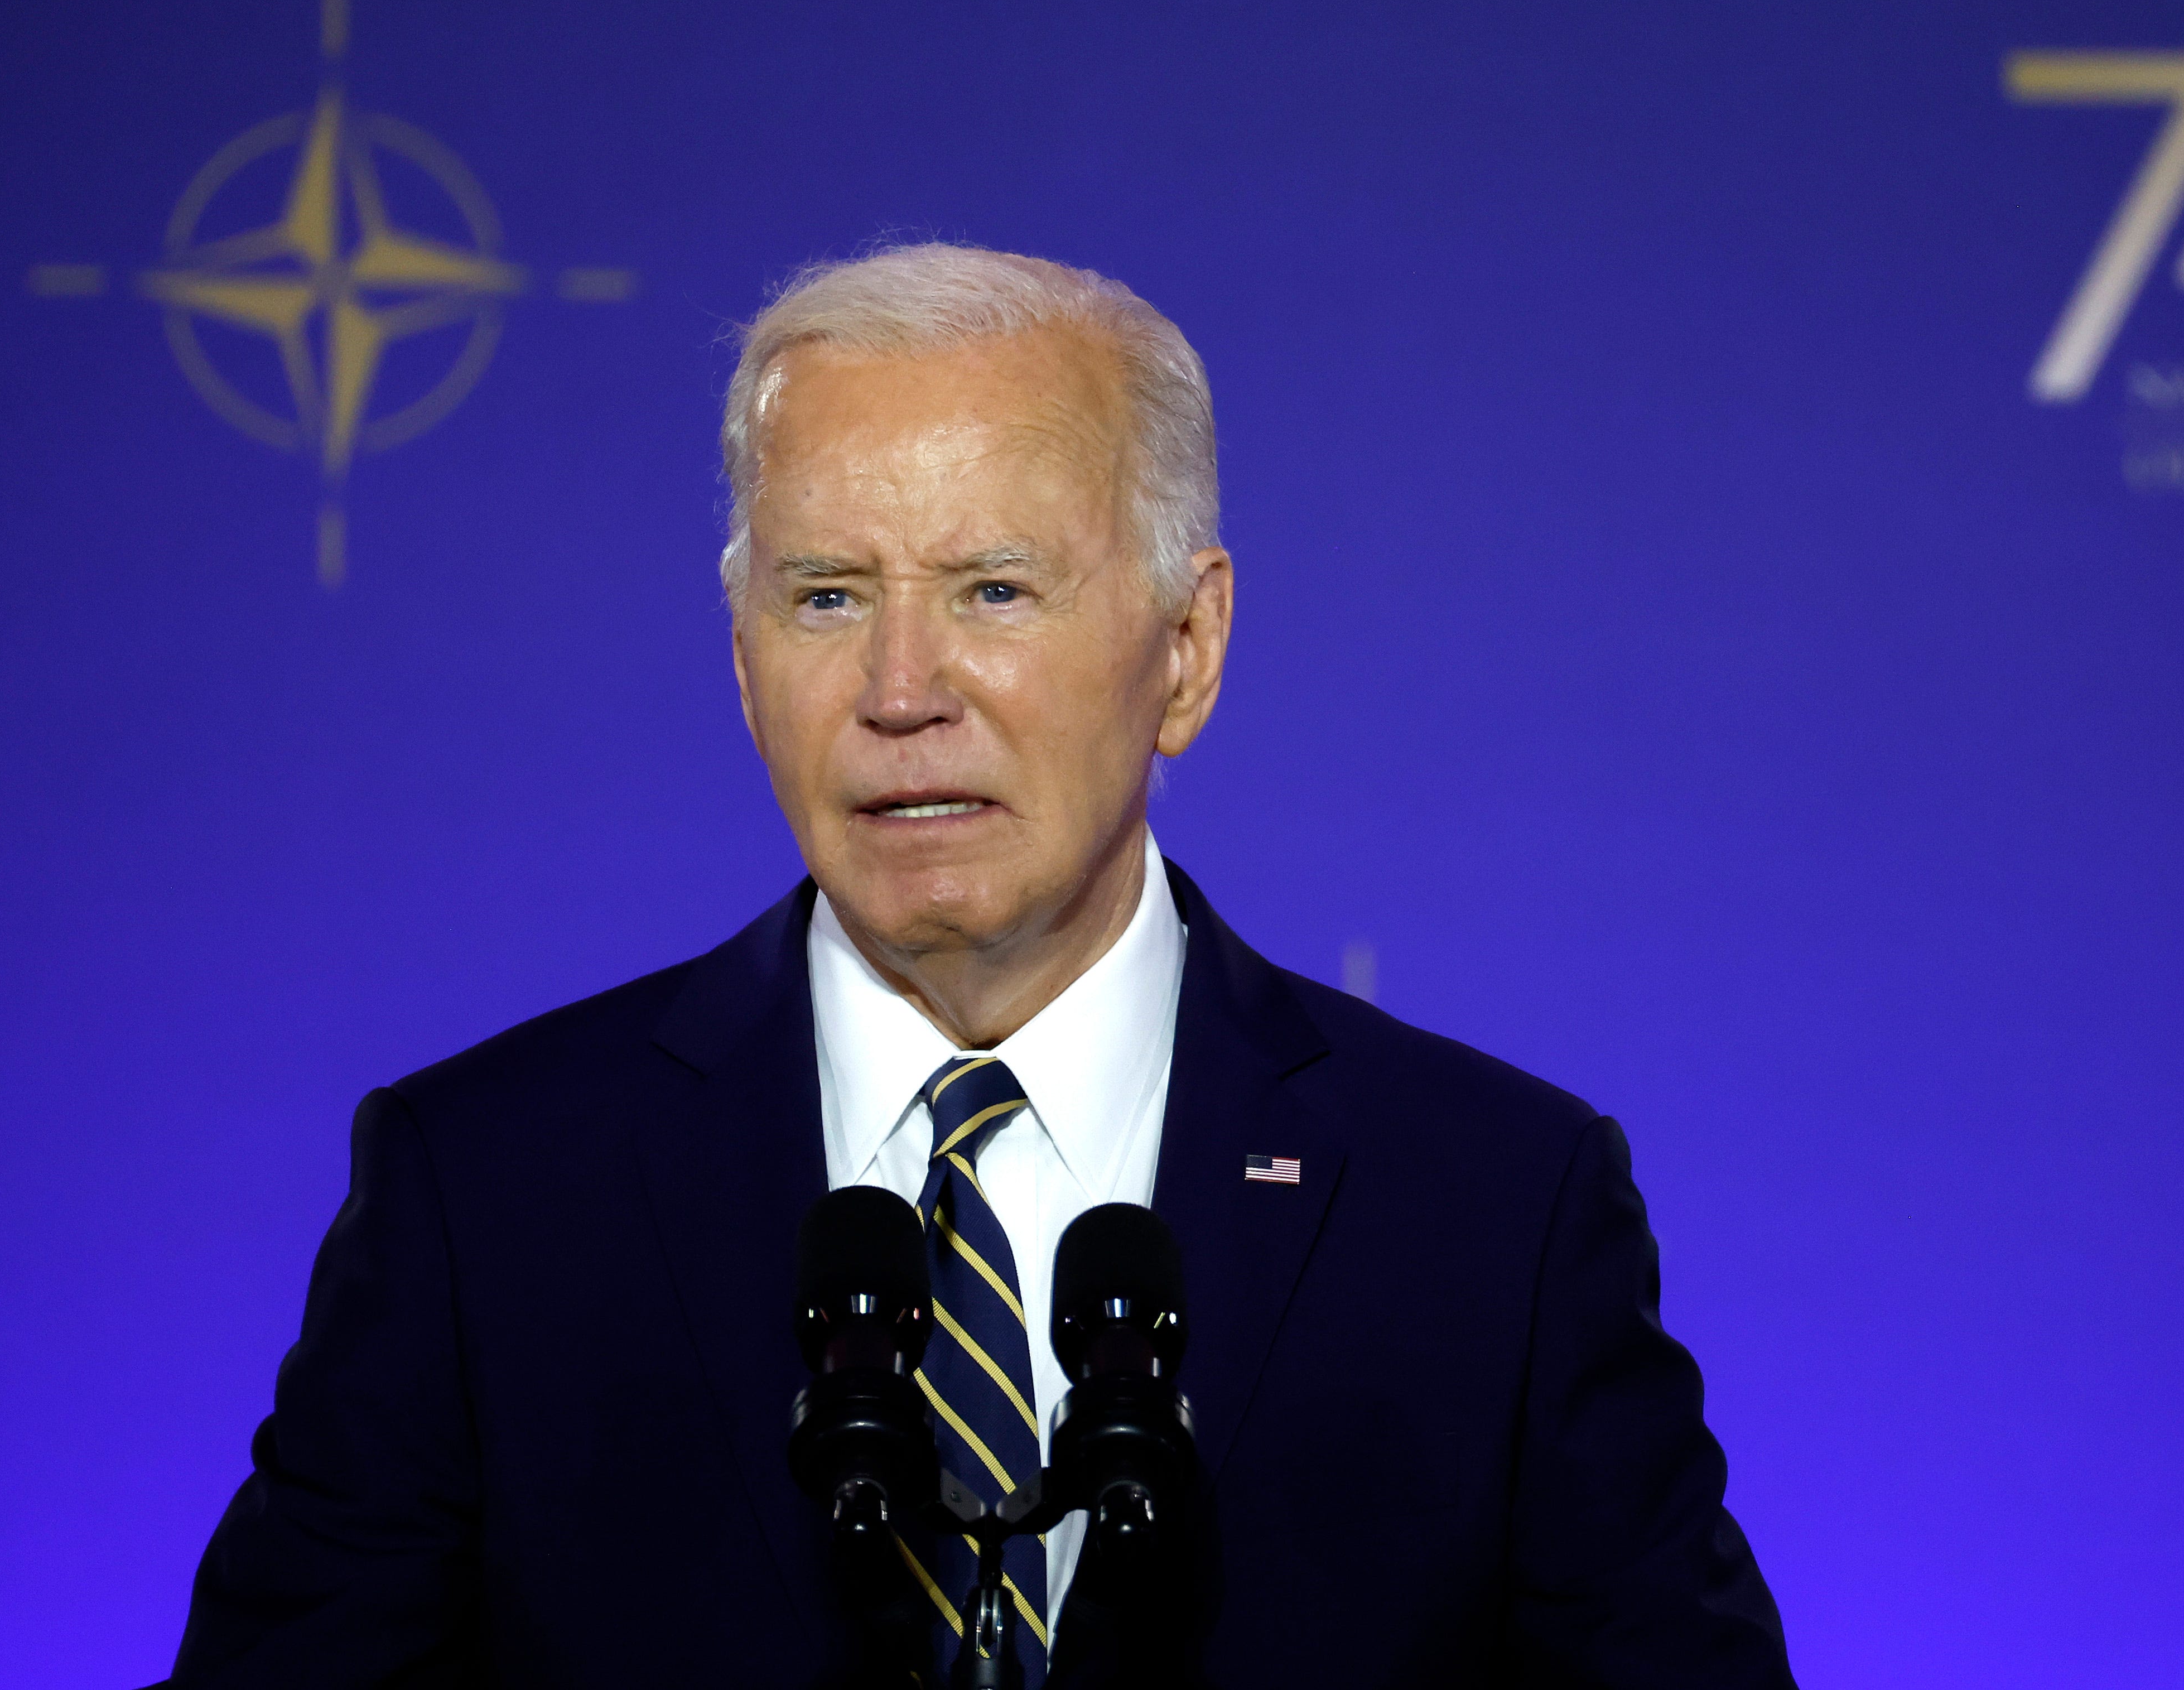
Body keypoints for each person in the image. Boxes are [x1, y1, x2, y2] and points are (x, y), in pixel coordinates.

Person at [169, 244, 1794, 1689]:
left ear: (1188, 648)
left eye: (992, 591)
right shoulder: (494, 1193)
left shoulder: (1491, 1212)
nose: (898, 689)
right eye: (825, 597)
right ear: (743, 668)